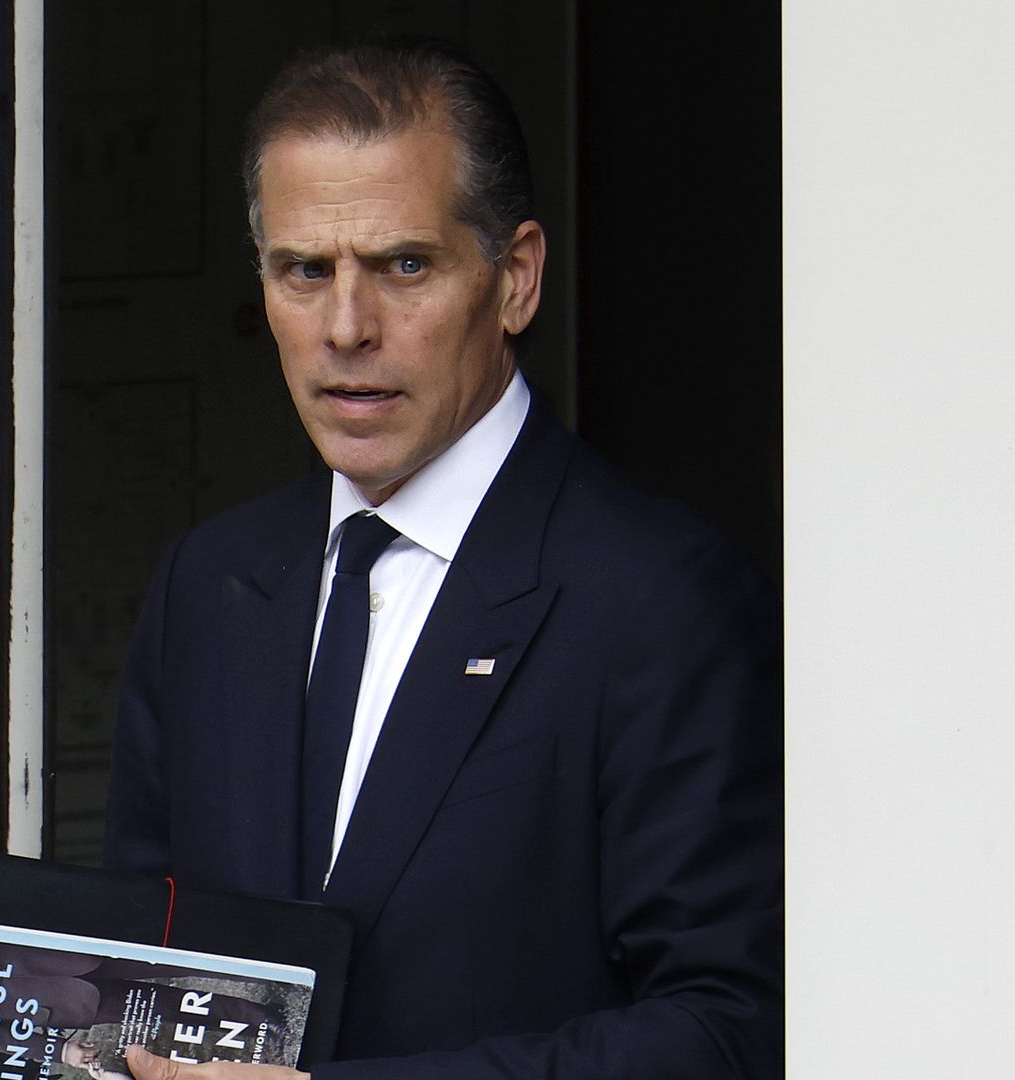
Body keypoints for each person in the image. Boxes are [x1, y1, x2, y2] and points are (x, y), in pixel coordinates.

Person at [102, 39, 782, 1080]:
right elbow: (131, 970)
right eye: (304, 271)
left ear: (514, 281)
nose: (346, 327)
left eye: (403, 266)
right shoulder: (209, 584)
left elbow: (725, 1029)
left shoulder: (659, 597)